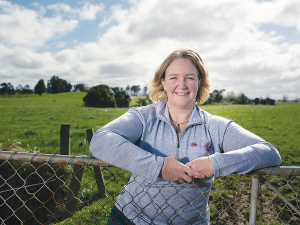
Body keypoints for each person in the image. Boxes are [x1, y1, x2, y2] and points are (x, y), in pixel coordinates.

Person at [89, 49, 282, 224]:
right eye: (173, 77)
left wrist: (215, 164)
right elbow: (100, 140)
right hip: (129, 218)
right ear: (163, 82)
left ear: (199, 83)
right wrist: (160, 167)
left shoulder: (216, 126)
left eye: (189, 77)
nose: (181, 85)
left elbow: (269, 152)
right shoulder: (143, 116)